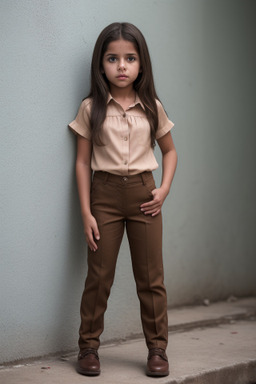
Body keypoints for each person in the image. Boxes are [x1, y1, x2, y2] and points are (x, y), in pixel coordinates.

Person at [69, 22, 177, 377]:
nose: (121, 66)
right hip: (105, 196)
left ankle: (157, 349)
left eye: (130, 58)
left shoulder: (151, 106)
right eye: (113, 58)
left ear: (141, 64)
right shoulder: (91, 108)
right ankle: (88, 347)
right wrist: (86, 211)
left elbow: (171, 152)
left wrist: (163, 189)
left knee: (150, 277)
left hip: (145, 195)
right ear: (101, 64)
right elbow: (83, 162)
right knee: (99, 276)